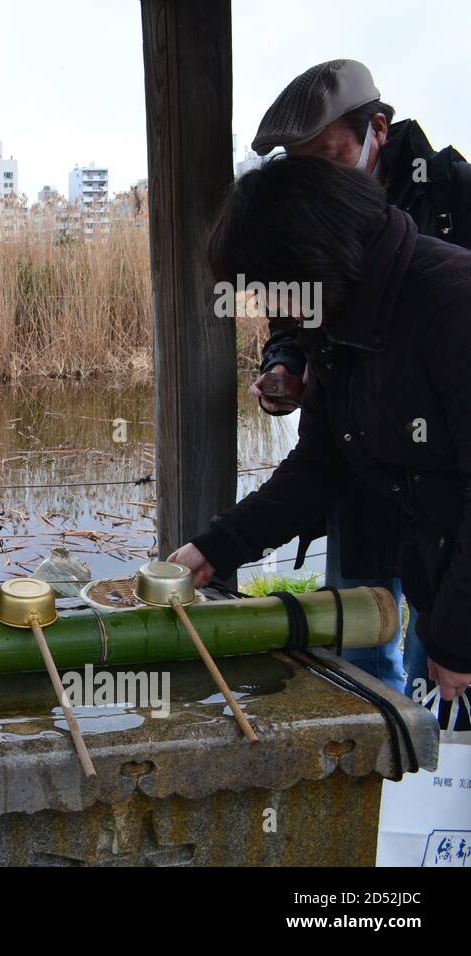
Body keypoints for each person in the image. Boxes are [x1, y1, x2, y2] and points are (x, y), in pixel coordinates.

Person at [168, 155, 471, 704]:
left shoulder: (451, 303)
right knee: (437, 767)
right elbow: (321, 465)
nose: (267, 311)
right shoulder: (337, 317)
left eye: (264, 291)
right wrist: (220, 545)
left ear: (308, 262)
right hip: (443, 579)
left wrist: (458, 639)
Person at [244, 59, 471, 696]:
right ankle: (376, 765)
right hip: (361, 458)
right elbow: (297, 315)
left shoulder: (449, 195)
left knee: (446, 652)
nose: (316, 177)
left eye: (329, 155)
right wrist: (285, 364)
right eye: (300, 164)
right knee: (359, 647)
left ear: (376, 129)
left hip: (447, 483)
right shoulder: (304, 231)